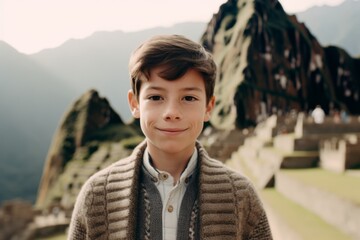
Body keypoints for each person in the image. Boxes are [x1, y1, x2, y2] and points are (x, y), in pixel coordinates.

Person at [68, 34, 273, 239]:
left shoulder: (241, 197)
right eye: (156, 97)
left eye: (189, 98)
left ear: (208, 107)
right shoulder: (97, 197)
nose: (171, 112)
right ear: (135, 104)